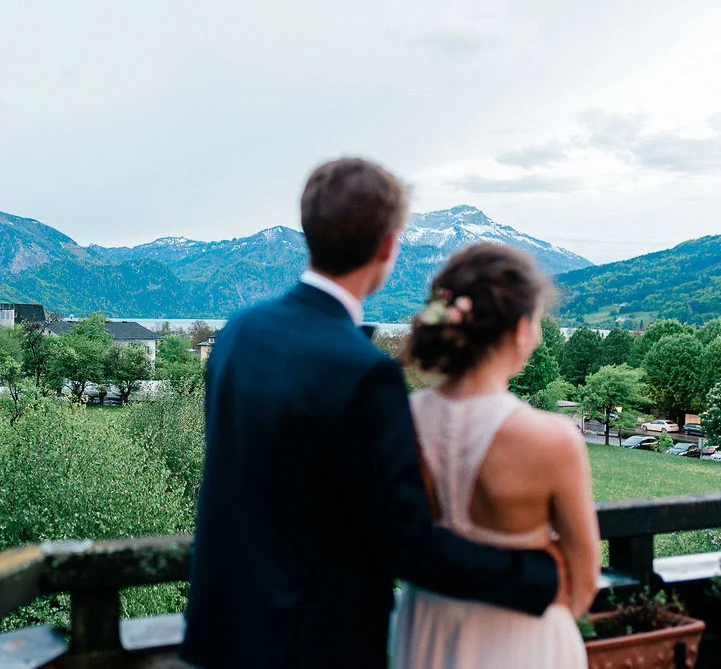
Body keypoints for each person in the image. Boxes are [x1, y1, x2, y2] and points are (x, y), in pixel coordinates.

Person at [181, 157, 568, 668]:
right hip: (313, 644)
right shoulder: (364, 372)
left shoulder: (237, 334)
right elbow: (405, 542)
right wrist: (539, 575)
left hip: (218, 632)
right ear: (388, 246)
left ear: (309, 231)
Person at [390, 243, 600, 668]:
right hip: (522, 640)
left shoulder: (396, 421)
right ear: (521, 329)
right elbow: (583, 580)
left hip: (424, 632)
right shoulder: (552, 440)